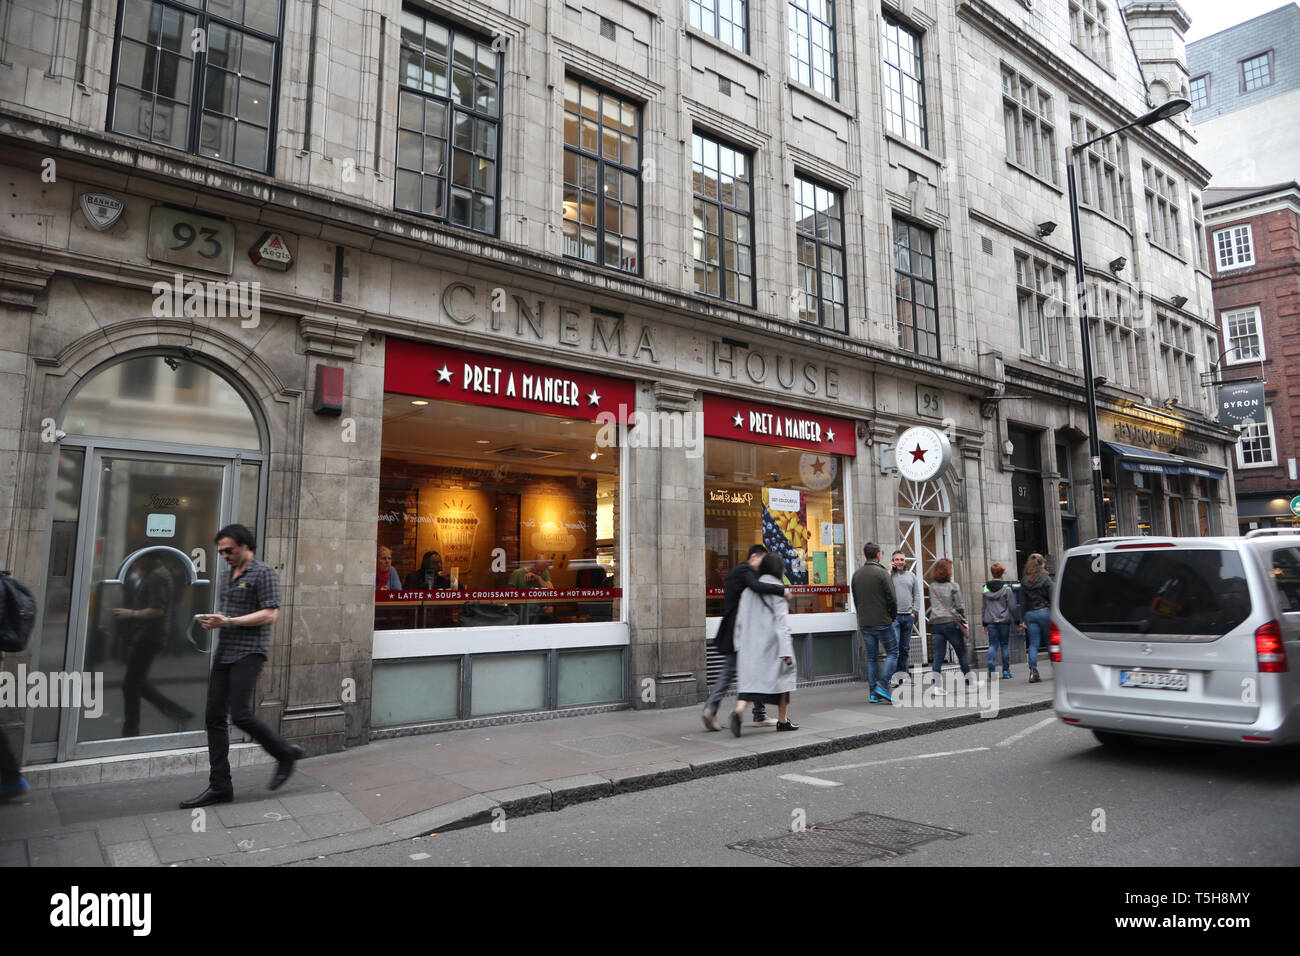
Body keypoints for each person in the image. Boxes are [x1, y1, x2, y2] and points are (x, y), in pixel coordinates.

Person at [181, 524, 303, 808]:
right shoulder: (226, 576)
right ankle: (220, 785)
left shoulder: (264, 573)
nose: (224, 555)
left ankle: (284, 752)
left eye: (229, 550)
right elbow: (229, 614)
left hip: (250, 651)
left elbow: (270, 614)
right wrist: (216, 619)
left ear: (245, 546)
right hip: (225, 651)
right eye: (221, 551)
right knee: (213, 716)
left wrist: (228, 622)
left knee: (240, 714)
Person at [701, 545, 785, 730]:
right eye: (762, 560)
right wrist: (782, 591)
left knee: (745, 670)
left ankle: (754, 713)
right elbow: (756, 587)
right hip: (740, 632)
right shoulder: (745, 570)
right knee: (738, 671)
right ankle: (715, 708)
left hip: (734, 629)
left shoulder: (734, 573)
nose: (762, 566)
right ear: (754, 556)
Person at [113, 551, 194, 737]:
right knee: (135, 683)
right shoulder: (156, 573)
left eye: (138, 560)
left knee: (131, 684)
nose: (135, 564)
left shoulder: (158, 576)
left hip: (149, 636)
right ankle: (177, 713)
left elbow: (157, 610)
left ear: (148, 558)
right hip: (147, 635)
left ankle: (131, 729)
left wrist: (131, 613)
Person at [729, 552, 798, 735]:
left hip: (750, 645)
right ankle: (783, 721)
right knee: (783, 682)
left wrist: (738, 644)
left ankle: (738, 712)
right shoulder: (778, 590)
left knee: (751, 685)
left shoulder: (748, 591)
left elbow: (740, 620)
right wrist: (786, 651)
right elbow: (782, 623)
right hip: (772, 646)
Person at [851, 542, 899, 703]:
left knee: (871, 657)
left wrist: (862, 616)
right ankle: (883, 687)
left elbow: (856, 600)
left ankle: (873, 693)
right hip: (882, 621)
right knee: (893, 652)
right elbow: (892, 599)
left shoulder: (856, 575)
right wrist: (892, 616)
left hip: (865, 622)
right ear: (878, 554)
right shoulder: (882, 573)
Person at [927, 557, 971, 693]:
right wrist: (964, 621)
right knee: (961, 653)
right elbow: (959, 607)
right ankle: (970, 683)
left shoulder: (932, 587)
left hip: (935, 623)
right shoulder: (953, 586)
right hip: (950, 623)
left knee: (938, 656)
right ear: (948, 571)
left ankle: (936, 686)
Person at [981, 562, 1024, 679]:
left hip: (990, 622)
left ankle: (991, 666)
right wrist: (1018, 622)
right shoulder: (1007, 589)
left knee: (993, 645)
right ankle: (1006, 671)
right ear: (1002, 574)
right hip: (1004, 622)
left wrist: (984, 623)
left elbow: (984, 607)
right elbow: (1013, 607)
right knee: (1004, 645)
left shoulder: (985, 588)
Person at [889, 550, 924, 686]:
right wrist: (888, 571)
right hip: (895, 618)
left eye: (901, 559)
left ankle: (903, 676)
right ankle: (893, 678)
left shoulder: (911, 576)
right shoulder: (889, 576)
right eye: (896, 559)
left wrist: (914, 612)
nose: (899, 562)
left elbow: (917, 595)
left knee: (905, 648)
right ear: (893, 561)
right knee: (895, 648)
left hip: (908, 617)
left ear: (905, 561)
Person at [1019, 553, 1053, 683]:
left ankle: (1033, 671)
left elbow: (1022, 602)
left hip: (1030, 615)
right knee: (1050, 641)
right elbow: (1053, 597)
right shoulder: (1046, 579)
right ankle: (1056, 667)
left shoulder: (1025, 581)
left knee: (1033, 644)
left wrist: (1022, 619)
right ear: (1042, 564)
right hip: (1044, 613)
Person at [509, 554, 554, 625]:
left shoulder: (544, 572)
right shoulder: (517, 574)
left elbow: (552, 592)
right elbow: (509, 596)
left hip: (539, 610)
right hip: (521, 609)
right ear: (532, 564)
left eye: (541, 571)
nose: (540, 572)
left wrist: (538, 578)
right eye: (537, 570)